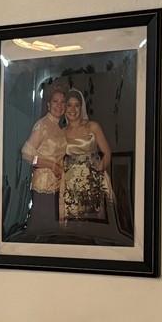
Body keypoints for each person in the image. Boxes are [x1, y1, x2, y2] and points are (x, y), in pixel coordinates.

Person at [59, 90, 115, 224]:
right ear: (64, 107)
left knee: (97, 225)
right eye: (69, 105)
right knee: (75, 225)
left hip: (94, 180)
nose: (73, 109)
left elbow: (107, 153)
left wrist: (99, 170)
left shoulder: (93, 126)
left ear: (81, 107)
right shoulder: (61, 132)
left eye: (76, 105)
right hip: (71, 184)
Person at [19, 86, 68, 236]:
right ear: (48, 104)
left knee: (52, 231)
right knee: (41, 230)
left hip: (57, 186)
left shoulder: (59, 129)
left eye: (62, 102)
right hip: (43, 185)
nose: (59, 105)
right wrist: (51, 165)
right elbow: (26, 154)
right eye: (55, 101)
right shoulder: (42, 125)